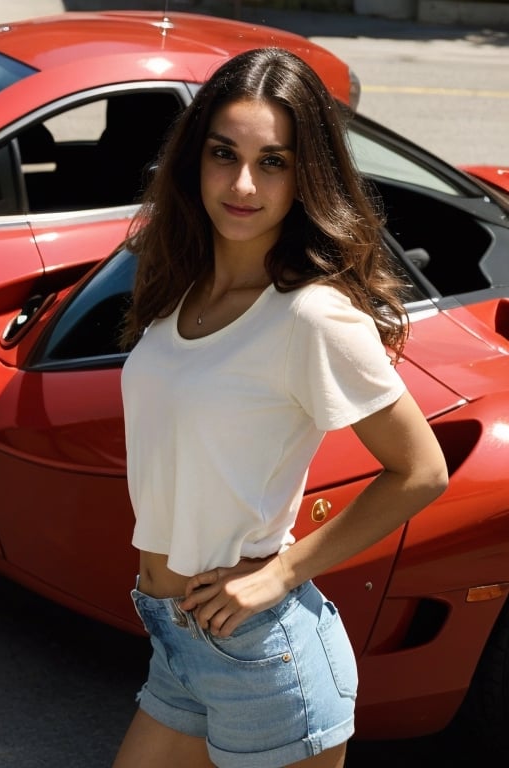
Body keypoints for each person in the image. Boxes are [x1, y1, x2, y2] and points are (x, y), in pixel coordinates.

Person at [113, 47, 448, 768]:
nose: (241, 183)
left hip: (262, 658)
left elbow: (421, 470)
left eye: (273, 162)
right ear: (193, 160)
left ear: (305, 178)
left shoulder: (310, 317)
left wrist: (280, 573)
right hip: (178, 641)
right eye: (223, 154)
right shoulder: (180, 288)